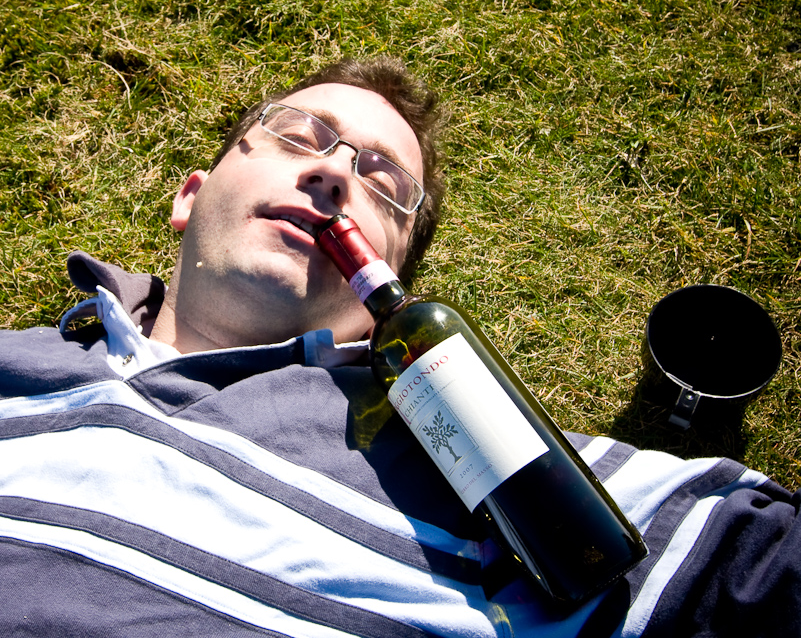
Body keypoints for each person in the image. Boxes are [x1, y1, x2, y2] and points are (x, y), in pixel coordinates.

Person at [0, 56, 798, 637]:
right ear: (190, 196)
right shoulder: (21, 367)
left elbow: (757, 565)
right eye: (299, 135)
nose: (335, 173)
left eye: (384, 185)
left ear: (378, 293)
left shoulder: (454, 440)